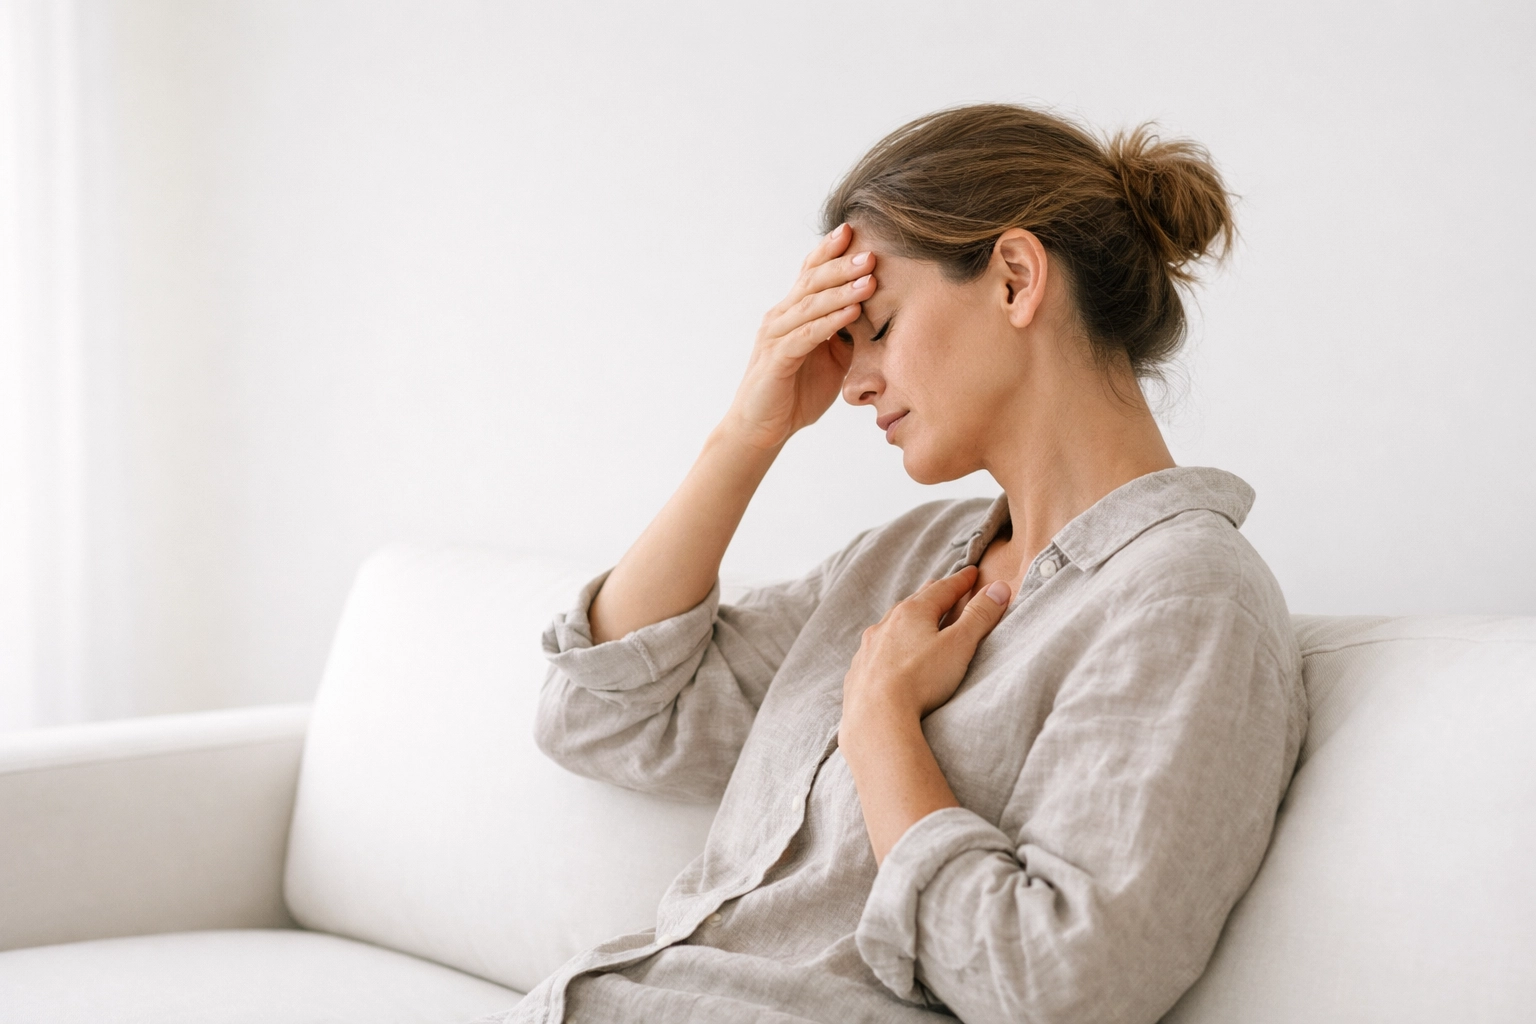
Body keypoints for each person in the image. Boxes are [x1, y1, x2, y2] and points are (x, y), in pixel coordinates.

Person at [488, 103, 1306, 1024]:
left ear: (1013, 278)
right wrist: (746, 436)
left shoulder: (1187, 599)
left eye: (874, 326)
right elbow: (599, 719)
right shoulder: (905, 561)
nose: (851, 383)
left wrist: (880, 723)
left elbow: (1058, 989)